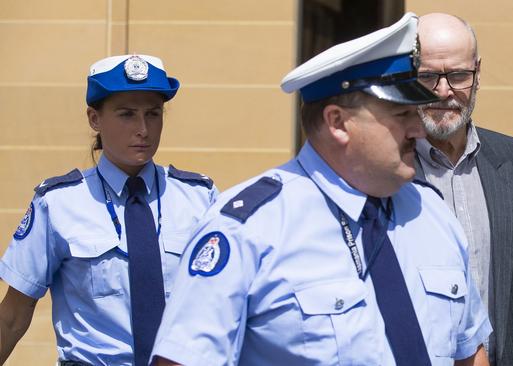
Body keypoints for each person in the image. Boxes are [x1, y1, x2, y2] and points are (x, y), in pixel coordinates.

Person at [151, 13, 491, 366]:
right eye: (401, 115)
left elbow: (470, 353)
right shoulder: (248, 229)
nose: (419, 131)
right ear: (337, 122)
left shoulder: (431, 213)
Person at [0, 54, 218, 366]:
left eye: (153, 114)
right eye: (127, 115)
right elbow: (12, 316)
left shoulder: (200, 198)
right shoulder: (59, 204)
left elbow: (232, 301)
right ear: (94, 119)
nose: (143, 129)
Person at [414, 13, 513, 366]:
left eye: (459, 75)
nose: (444, 91)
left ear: (478, 74)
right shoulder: (387, 171)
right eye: (428, 76)